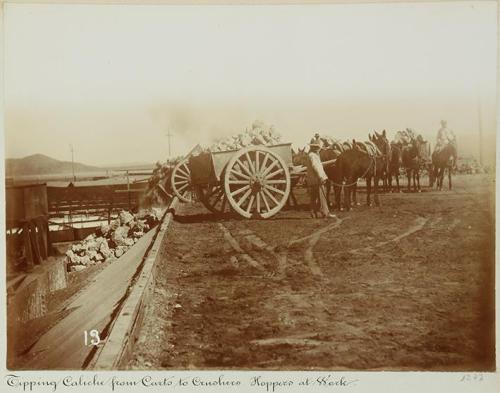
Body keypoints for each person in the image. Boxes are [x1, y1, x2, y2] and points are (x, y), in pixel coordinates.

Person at [306, 141, 336, 219]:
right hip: (317, 180)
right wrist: (321, 177)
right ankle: (325, 213)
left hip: (312, 180)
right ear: (315, 148)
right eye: (318, 147)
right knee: (322, 196)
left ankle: (313, 213)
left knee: (313, 197)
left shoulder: (312, 155)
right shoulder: (313, 156)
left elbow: (319, 165)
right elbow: (316, 166)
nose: (319, 149)